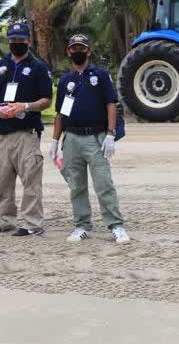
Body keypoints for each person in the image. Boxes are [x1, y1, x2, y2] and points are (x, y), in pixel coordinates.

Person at [50, 34, 130, 244]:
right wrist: (55, 141)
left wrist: (110, 134)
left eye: (81, 48)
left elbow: (111, 104)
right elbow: (60, 113)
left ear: (88, 51)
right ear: (69, 51)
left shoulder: (100, 75)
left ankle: (116, 225)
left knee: (104, 183)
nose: (78, 51)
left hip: (95, 138)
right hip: (71, 139)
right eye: (74, 48)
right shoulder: (65, 80)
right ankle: (82, 226)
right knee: (76, 185)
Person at [0, 22, 53, 237]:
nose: (16, 43)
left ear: (28, 41)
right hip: (2, 133)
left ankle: (33, 224)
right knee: (0, 181)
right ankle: (4, 220)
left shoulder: (38, 68)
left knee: (31, 181)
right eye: (13, 40)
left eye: (20, 40)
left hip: (26, 133)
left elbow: (47, 100)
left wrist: (25, 106)